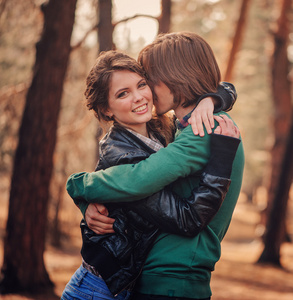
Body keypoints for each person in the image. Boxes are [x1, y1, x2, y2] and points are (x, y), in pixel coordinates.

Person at [67, 32, 245, 300]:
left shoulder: (199, 128)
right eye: (125, 92)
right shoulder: (178, 129)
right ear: (107, 109)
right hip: (131, 281)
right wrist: (82, 195)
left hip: (171, 277)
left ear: (176, 77)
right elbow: (131, 184)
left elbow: (138, 183)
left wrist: (79, 186)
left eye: (146, 81)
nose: (144, 93)